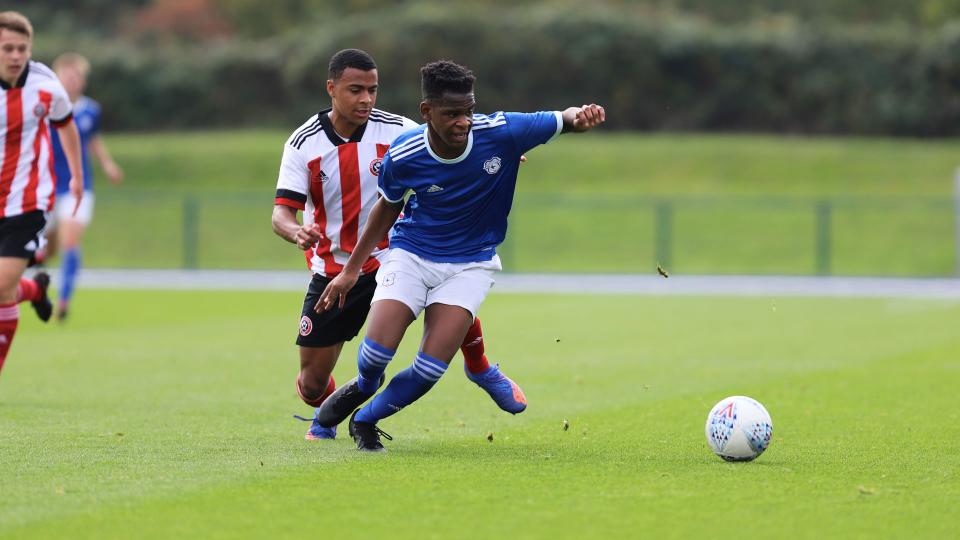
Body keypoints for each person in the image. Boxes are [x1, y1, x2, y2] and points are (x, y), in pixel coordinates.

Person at [315, 60, 605, 451]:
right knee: (375, 357)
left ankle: (366, 420)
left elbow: (561, 118)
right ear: (426, 112)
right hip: (411, 255)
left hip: (471, 263)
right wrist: (351, 271)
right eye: (452, 114)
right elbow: (386, 207)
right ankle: (366, 385)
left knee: (430, 369)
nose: (463, 122)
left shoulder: (502, 133)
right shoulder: (405, 153)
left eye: (468, 111)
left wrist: (581, 116)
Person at [272, 49, 526, 441]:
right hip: (336, 268)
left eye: (372, 90)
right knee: (310, 384)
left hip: (398, 252)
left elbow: (454, 135)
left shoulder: (397, 129)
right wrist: (295, 231)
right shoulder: (303, 143)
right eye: (355, 90)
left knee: (449, 287)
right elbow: (281, 214)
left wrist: (498, 152)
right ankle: (331, 407)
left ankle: (479, 366)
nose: (366, 100)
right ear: (331, 89)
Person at [0, 11, 83, 378]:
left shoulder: (45, 82)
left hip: (28, 201)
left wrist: (77, 177)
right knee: (4, 291)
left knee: (1, 287)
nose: (16, 55)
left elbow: (66, 125)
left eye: (22, 48)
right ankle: (33, 289)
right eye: (7, 48)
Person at [44, 52, 124, 322]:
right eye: (68, 76)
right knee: (45, 249)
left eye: (77, 76)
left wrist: (108, 164)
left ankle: (63, 300)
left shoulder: (91, 110)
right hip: (44, 188)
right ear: (57, 78)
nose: (73, 81)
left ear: (83, 80)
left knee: (70, 242)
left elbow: (92, 140)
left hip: (79, 188)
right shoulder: (44, 106)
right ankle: (34, 284)